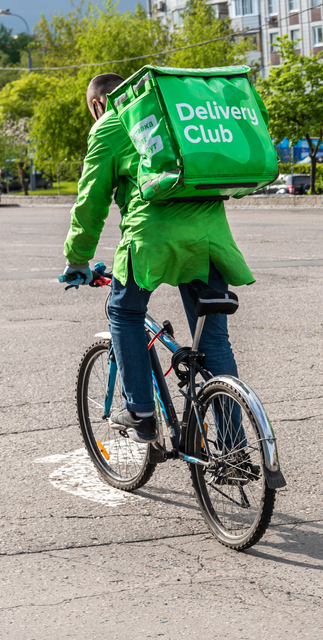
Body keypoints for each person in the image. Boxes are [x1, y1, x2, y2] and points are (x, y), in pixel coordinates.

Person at [62, 73, 255, 443]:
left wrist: (77, 260)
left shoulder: (110, 123)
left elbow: (91, 201)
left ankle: (140, 413)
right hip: (211, 241)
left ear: (97, 104)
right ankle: (235, 448)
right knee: (214, 343)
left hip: (151, 241)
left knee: (124, 313)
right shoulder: (177, 116)